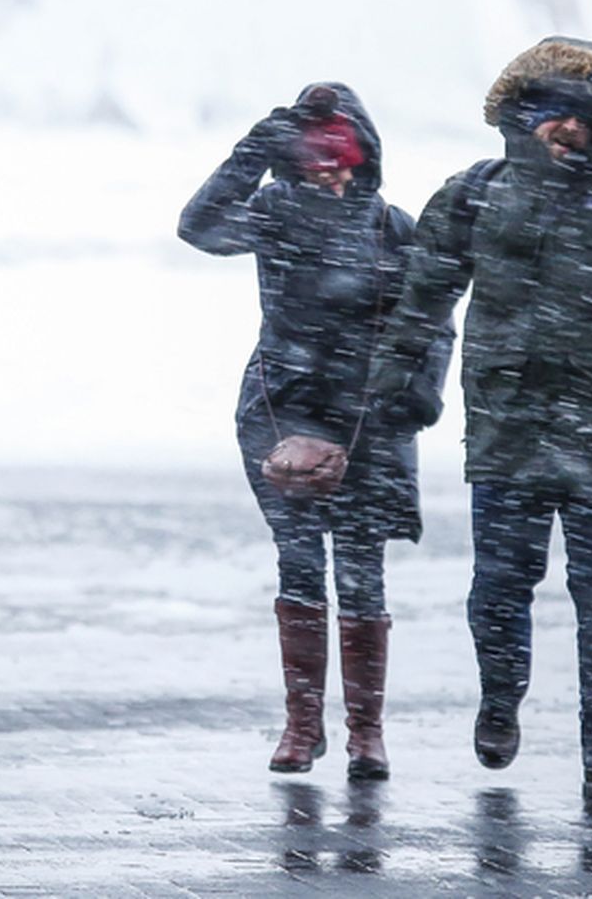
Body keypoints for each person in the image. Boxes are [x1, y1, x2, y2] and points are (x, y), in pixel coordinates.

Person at [367, 37, 592, 807]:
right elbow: (422, 302)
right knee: (500, 586)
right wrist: (388, 394)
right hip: (507, 427)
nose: (572, 130)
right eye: (557, 113)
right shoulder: (472, 194)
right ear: (521, 113)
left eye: (589, 120)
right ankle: (500, 700)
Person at [178, 82, 451, 780]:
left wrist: (414, 399)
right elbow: (199, 225)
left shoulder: (393, 227)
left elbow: (432, 322)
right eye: (311, 155)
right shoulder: (273, 212)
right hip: (283, 410)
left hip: (370, 416)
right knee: (298, 559)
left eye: (342, 154)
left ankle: (367, 733)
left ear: (365, 155)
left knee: (362, 569)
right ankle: (303, 725)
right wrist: (253, 149)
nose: (328, 168)